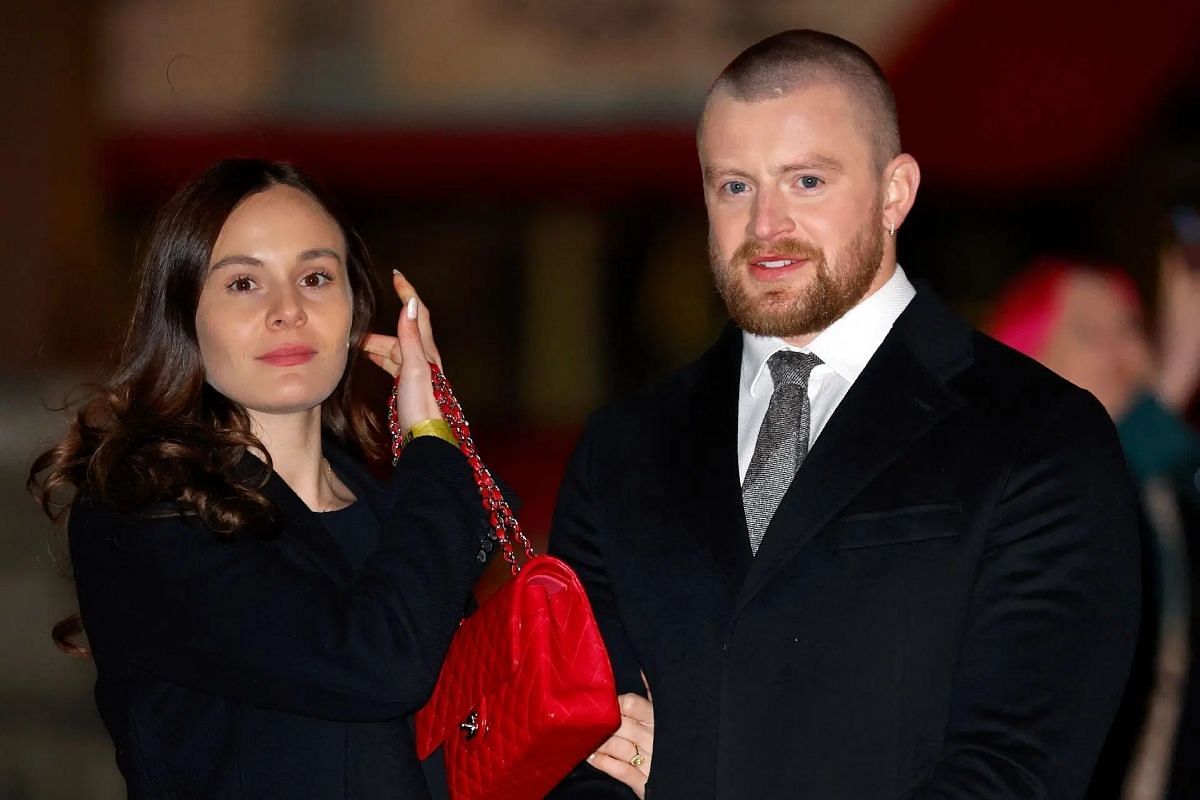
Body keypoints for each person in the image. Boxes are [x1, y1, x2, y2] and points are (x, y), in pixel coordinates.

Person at [547, 29, 1141, 799]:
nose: (765, 227)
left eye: (806, 182)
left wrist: (692, 766)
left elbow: (1013, 771)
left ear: (895, 193)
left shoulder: (1038, 434)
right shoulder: (622, 451)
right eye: (734, 186)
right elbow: (582, 755)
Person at [28, 158, 499, 799]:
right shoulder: (144, 514)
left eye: (314, 277)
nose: (288, 311)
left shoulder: (391, 507)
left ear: (356, 308)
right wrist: (433, 443)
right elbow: (374, 663)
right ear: (185, 315)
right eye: (244, 284)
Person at [990, 256, 1200, 800]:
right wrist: (1166, 397)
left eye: (1130, 327)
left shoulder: (1168, 486)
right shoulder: (1008, 490)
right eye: (1087, 333)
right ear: (1027, 357)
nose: (1119, 351)